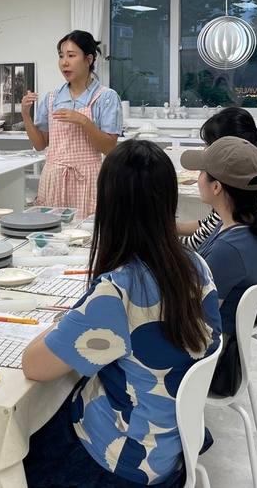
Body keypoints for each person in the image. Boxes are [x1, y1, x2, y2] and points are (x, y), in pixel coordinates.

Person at [22, 140, 221, 488]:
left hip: (124, 460)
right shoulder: (196, 265)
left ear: (110, 205)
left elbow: (34, 366)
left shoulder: (116, 293)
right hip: (173, 442)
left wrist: (66, 321)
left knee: (18, 442)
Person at [181, 136, 257, 338]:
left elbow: (197, 317)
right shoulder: (242, 226)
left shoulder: (229, 249)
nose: (197, 178)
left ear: (216, 187)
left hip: (210, 346)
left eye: (201, 173)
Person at [22, 30, 122, 217]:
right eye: (61, 56)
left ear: (89, 59)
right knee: (51, 232)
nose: (64, 62)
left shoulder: (105, 97)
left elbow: (109, 147)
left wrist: (83, 121)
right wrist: (26, 115)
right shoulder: (52, 97)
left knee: (85, 236)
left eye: (71, 55)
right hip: (53, 178)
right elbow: (39, 144)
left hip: (87, 179)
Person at [178, 107, 257, 250]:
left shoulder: (235, 191)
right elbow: (209, 225)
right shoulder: (248, 181)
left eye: (209, 144)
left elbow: (197, 243)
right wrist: (170, 228)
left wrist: (155, 239)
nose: (205, 149)